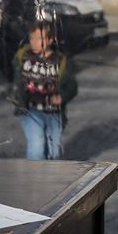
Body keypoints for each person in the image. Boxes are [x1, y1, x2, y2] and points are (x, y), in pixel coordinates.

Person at [9, 19, 77, 160]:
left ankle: (48, 177)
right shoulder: (23, 57)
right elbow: (15, 79)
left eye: (39, 38)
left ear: (50, 39)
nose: (34, 42)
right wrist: (17, 95)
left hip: (54, 113)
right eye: (31, 38)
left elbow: (72, 86)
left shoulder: (60, 61)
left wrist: (62, 97)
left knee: (54, 152)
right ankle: (34, 179)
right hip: (31, 110)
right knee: (37, 145)